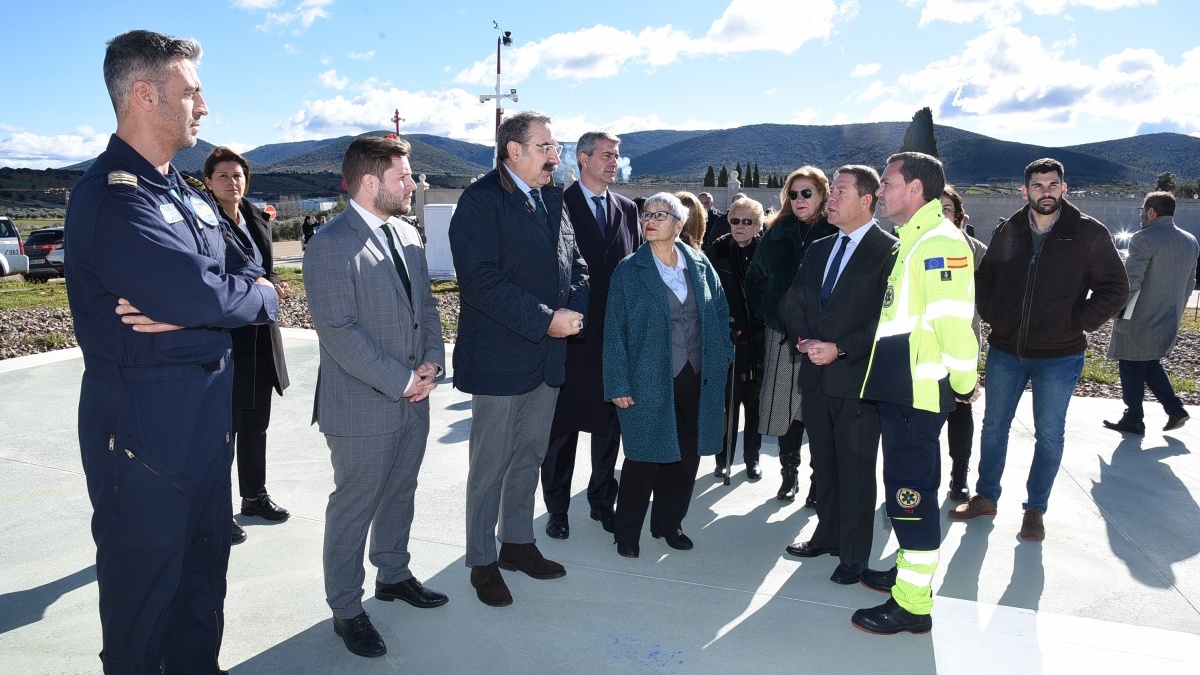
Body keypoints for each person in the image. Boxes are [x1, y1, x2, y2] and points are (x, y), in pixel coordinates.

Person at [64, 29, 279, 673]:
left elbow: (250, 275)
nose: (203, 107)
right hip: (143, 430)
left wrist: (219, 304)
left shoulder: (185, 192)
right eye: (191, 93)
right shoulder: (111, 198)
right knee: (145, 591)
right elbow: (201, 294)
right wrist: (210, 306)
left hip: (207, 423)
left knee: (202, 576)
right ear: (144, 94)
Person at [305, 135, 447, 657]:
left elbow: (425, 308)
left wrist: (432, 362)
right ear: (369, 182)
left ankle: (393, 574)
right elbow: (338, 331)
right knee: (354, 507)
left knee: (400, 491)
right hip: (362, 405)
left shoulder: (407, 234)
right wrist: (402, 380)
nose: (412, 184)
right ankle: (346, 609)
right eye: (402, 176)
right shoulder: (330, 244)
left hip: (414, 396)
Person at [449, 111, 588, 607]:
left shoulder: (552, 197)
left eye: (555, 147)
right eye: (546, 147)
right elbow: (480, 281)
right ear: (514, 151)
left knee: (530, 454)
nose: (555, 156)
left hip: (547, 356)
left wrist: (574, 311)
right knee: (490, 463)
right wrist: (546, 319)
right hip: (500, 359)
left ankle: (517, 543)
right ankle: (482, 560)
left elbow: (576, 263)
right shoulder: (481, 200)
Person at [950, 158, 1128, 542]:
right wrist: (994, 313)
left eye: (1052, 184)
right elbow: (985, 278)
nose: (1045, 192)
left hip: (1059, 355)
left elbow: (1116, 288)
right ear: (1024, 191)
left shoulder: (1088, 232)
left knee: (1049, 435)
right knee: (994, 427)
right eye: (1037, 185)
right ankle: (986, 497)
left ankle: (1035, 509)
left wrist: (1076, 321)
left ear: (1064, 188)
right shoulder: (1009, 229)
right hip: (1006, 350)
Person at [853, 152, 978, 635]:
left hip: (917, 395)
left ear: (916, 189)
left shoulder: (939, 242)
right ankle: (907, 573)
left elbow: (954, 326)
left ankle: (912, 606)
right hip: (901, 392)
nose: (879, 192)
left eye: (887, 183)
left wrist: (965, 384)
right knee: (903, 491)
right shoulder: (915, 239)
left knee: (911, 498)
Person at [783, 165, 897, 585]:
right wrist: (804, 341)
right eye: (831, 191)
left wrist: (840, 348)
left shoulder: (890, 252)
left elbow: (887, 319)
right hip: (815, 379)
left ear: (866, 200)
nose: (830, 198)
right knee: (825, 467)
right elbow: (796, 300)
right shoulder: (819, 248)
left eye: (840, 192)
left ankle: (853, 555)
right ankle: (827, 535)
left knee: (856, 473)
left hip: (858, 382)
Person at [604, 192, 733, 558]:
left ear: (679, 224)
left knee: (687, 453)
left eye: (661, 215)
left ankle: (668, 523)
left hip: (697, 373)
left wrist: (723, 354)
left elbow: (719, 311)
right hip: (647, 376)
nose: (650, 220)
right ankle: (627, 532)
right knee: (643, 456)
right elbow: (614, 331)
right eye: (647, 214)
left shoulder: (699, 263)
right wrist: (617, 383)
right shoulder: (629, 270)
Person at [541, 131, 640, 540]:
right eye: (606, 155)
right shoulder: (555, 205)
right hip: (570, 338)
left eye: (616, 155)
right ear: (582, 159)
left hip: (614, 338)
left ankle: (602, 501)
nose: (614, 161)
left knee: (608, 427)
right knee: (560, 431)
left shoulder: (628, 209)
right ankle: (557, 510)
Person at [203, 147, 292, 545]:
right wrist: (256, 288)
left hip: (260, 334)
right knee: (224, 431)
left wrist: (273, 284)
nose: (232, 182)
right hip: (227, 336)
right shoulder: (203, 221)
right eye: (223, 175)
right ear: (208, 181)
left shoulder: (255, 216)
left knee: (257, 423)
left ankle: (254, 496)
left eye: (237, 175)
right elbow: (211, 277)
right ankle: (215, 513)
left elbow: (263, 269)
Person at [746, 166, 836, 503]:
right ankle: (789, 475)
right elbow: (755, 279)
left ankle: (818, 482)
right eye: (793, 193)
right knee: (786, 410)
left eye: (806, 193)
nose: (799, 199)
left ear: (822, 194)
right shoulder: (776, 232)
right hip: (782, 336)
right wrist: (771, 312)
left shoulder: (836, 231)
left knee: (819, 412)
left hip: (824, 338)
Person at [1103, 191, 1197, 434]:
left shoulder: (1143, 238)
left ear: (1152, 212)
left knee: (1131, 365)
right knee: (1150, 364)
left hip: (1139, 316)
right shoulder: (1190, 240)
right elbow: (1190, 283)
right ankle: (1175, 410)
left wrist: (1115, 309)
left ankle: (1133, 417)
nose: (1141, 215)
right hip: (1168, 316)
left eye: (1142, 211)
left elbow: (1132, 281)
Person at [704, 197, 767, 479]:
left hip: (758, 341)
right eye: (735, 220)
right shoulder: (716, 252)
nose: (740, 226)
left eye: (747, 221)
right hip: (727, 339)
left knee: (754, 406)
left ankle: (752, 459)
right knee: (727, 405)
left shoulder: (766, 253)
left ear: (758, 225)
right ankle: (723, 459)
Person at [939, 186, 987, 502]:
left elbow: (993, 293)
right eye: (934, 209)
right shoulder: (911, 246)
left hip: (961, 346)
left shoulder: (976, 251)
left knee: (960, 412)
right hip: (923, 348)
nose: (941, 215)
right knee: (921, 418)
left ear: (959, 216)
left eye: (946, 209)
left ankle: (959, 476)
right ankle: (916, 477)